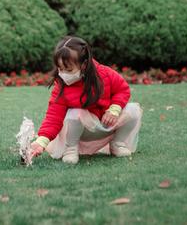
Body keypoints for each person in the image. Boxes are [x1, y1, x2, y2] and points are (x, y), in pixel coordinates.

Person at [30, 36, 142, 164]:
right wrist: (41, 142)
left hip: (108, 122)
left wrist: (114, 110)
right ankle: (71, 149)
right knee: (74, 113)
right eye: (60, 69)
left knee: (133, 109)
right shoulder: (61, 87)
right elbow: (53, 117)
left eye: (69, 69)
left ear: (84, 64)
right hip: (83, 130)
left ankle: (117, 143)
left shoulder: (105, 73)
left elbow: (122, 89)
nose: (63, 74)